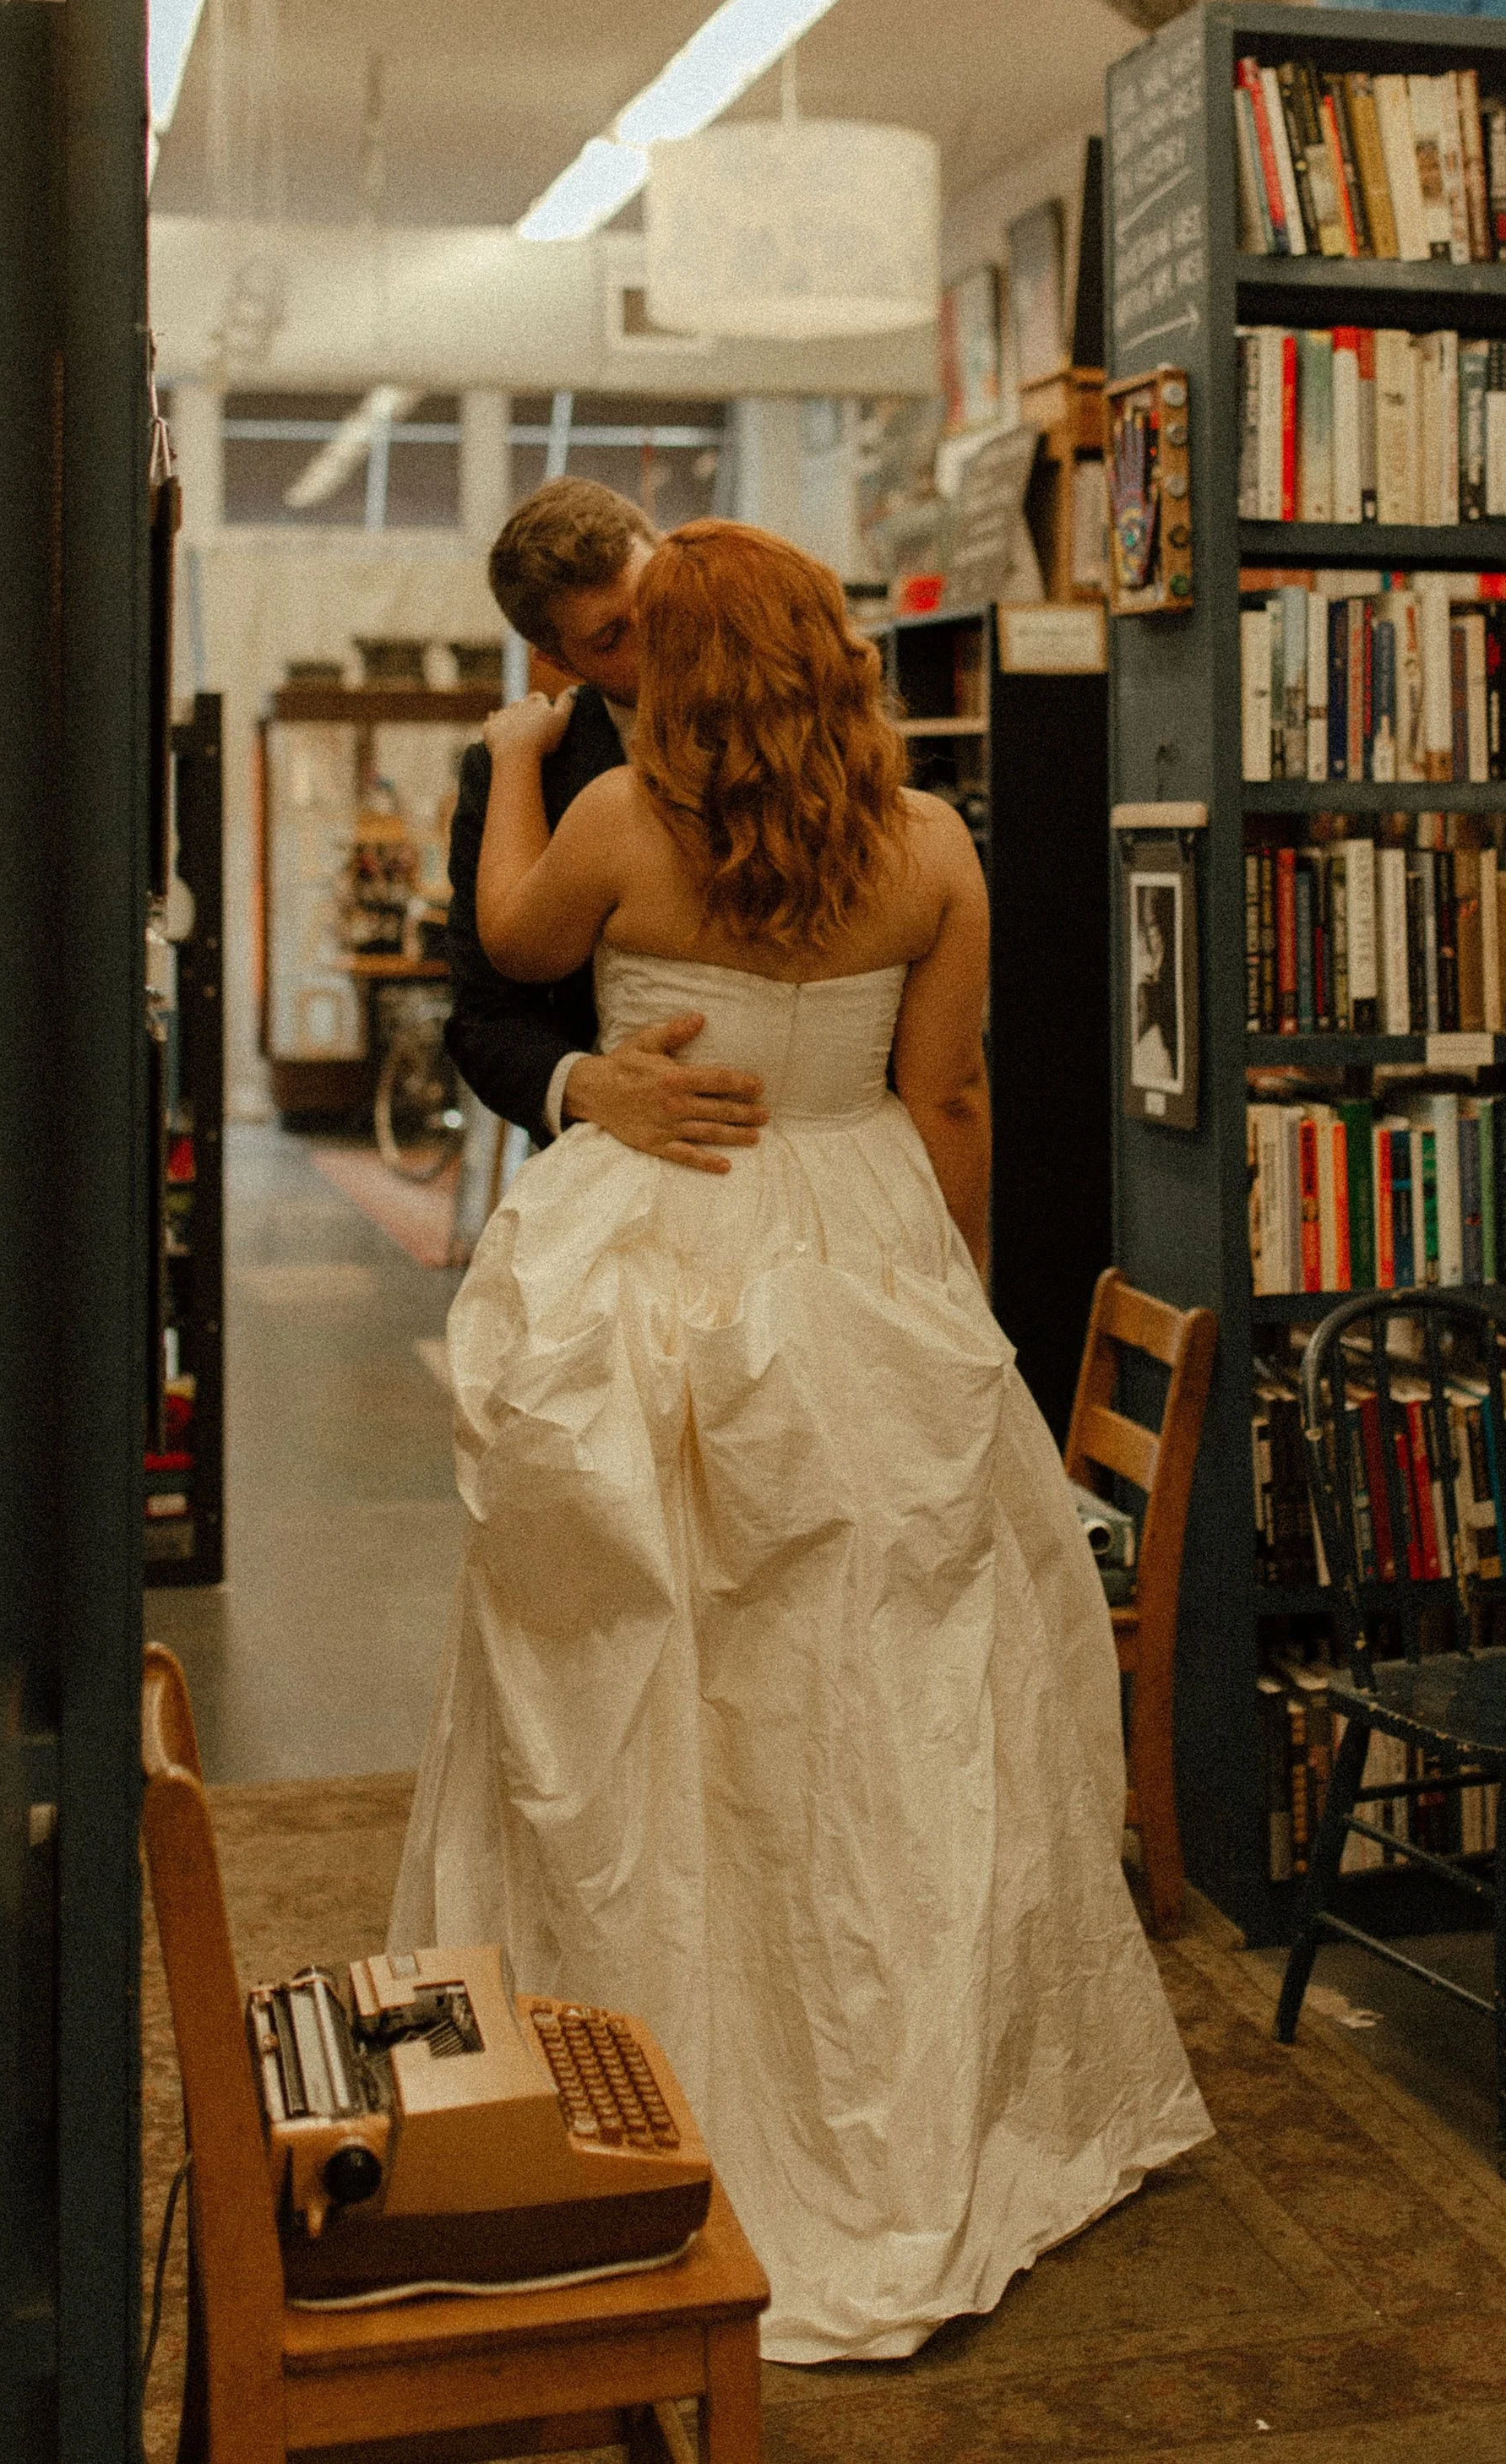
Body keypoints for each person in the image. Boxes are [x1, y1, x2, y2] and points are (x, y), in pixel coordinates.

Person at [392, 519, 1210, 2363]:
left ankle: (625, 2072)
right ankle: (901, 2088)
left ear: (664, 666)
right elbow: (948, 1096)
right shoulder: (932, 848)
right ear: (835, 657)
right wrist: (960, 1322)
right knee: (878, 1682)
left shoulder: (608, 826)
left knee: (643, 1659)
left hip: (655, 1262)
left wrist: (520, 760)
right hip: (854, 1247)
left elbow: (503, 940)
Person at [443, 476, 771, 1170]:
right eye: (612, 636)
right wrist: (592, 1086)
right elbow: (484, 1019)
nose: (655, 635)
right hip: (618, 1158)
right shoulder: (524, 773)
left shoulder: (805, 719)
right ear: (561, 662)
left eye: (655, 596)